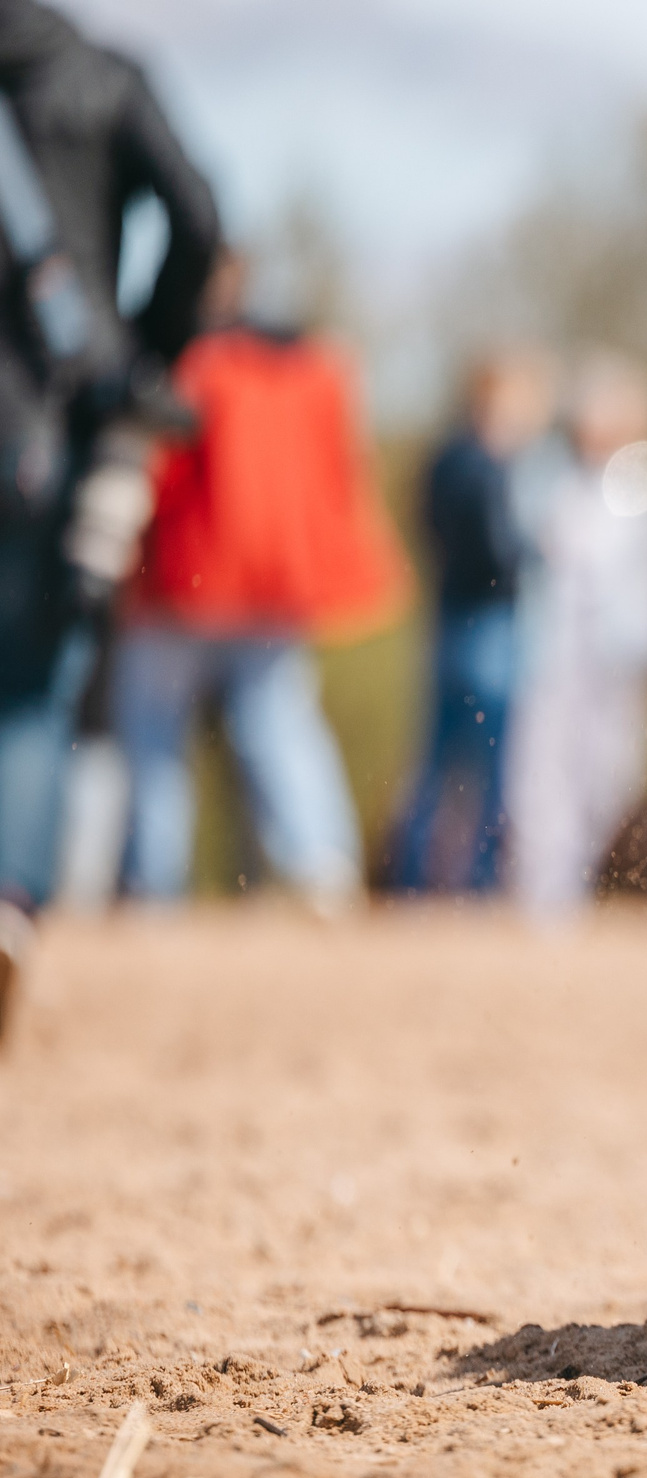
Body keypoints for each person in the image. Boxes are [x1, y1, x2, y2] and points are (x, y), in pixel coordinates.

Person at [0, 0, 219, 1031]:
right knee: (36, 686)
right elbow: (202, 220)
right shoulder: (104, 74)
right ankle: (6, 906)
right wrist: (144, 356)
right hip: (59, 418)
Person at [111, 250, 406, 908]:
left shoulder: (189, 365)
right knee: (278, 724)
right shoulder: (316, 366)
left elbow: (155, 476)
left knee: (154, 731)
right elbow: (343, 476)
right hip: (281, 583)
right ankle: (322, 866)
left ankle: (152, 885)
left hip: (188, 579)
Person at [505, 351, 647, 921]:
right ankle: (544, 894)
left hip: (618, 656)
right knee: (543, 770)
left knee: (610, 775)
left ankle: (579, 876)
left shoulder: (646, 483)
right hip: (555, 652)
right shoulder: (553, 480)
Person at [389, 347, 554, 895]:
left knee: (437, 760)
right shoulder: (490, 465)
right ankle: (481, 881)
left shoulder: (443, 458)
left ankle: (413, 876)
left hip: (448, 618)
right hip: (491, 624)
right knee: (490, 762)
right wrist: (534, 553)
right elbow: (497, 552)